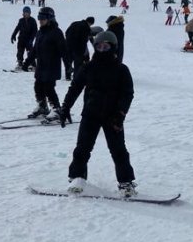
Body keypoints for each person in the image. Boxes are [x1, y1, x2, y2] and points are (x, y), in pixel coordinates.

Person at [57, 31, 137, 197]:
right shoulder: (89, 67)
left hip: (113, 116)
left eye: (106, 46)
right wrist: (65, 108)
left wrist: (120, 114)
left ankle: (126, 183)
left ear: (113, 48)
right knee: (82, 149)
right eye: (98, 46)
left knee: (119, 151)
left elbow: (127, 93)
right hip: (90, 114)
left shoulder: (121, 70)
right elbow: (75, 88)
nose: (102, 49)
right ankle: (77, 178)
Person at [27, 7, 66, 118]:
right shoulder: (40, 32)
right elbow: (35, 49)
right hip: (41, 66)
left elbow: (63, 50)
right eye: (39, 18)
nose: (40, 20)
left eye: (43, 18)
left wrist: (68, 65)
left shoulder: (56, 32)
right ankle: (42, 106)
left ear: (50, 19)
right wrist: (27, 62)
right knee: (38, 86)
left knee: (49, 88)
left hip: (52, 66)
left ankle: (57, 109)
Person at [10, 6, 38, 71]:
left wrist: (32, 39)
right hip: (21, 39)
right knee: (20, 51)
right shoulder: (21, 20)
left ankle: (32, 64)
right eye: (25, 12)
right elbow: (17, 28)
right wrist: (13, 35)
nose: (26, 14)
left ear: (30, 13)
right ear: (23, 13)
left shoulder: (33, 21)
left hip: (29, 40)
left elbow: (35, 31)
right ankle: (20, 63)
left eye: (27, 12)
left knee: (30, 52)